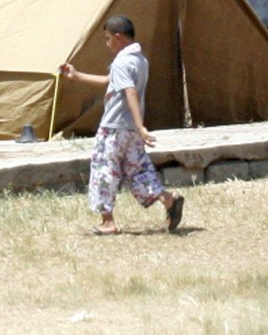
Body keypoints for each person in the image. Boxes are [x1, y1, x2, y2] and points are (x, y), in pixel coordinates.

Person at [59, 15, 184, 236]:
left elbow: (130, 92)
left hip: (114, 128)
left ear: (118, 38)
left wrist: (141, 126)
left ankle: (107, 222)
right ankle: (168, 199)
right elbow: (109, 81)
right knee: (137, 170)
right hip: (130, 130)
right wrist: (77, 75)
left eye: (108, 39)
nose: (107, 44)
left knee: (103, 170)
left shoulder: (122, 62)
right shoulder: (139, 60)